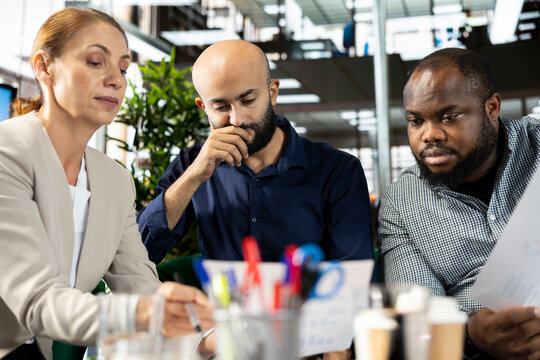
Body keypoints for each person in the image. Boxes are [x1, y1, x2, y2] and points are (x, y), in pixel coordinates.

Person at [0, 7, 214, 359]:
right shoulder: (8, 153)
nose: (116, 79)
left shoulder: (114, 181)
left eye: (124, 67)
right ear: (44, 67)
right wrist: (146, 315)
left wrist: (209, 336)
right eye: (96, 62)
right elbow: (37, 300)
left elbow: (137, 284)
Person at [137, 39, 373, 266]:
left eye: (248, 100)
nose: (237, 119)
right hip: (225, 308)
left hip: (311, 306)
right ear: (204, 107)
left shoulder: (337, 171)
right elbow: (139, 254)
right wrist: (194, 176)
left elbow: (353, 274)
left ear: (272, 92)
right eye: (221, 107)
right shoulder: (191, 164)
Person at [378, 47, 540, 359]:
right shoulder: (401, 204)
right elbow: (417, 318)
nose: (430, 135)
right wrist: (469, 334)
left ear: (491, 107)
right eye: (416, 121)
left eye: (448, 117)